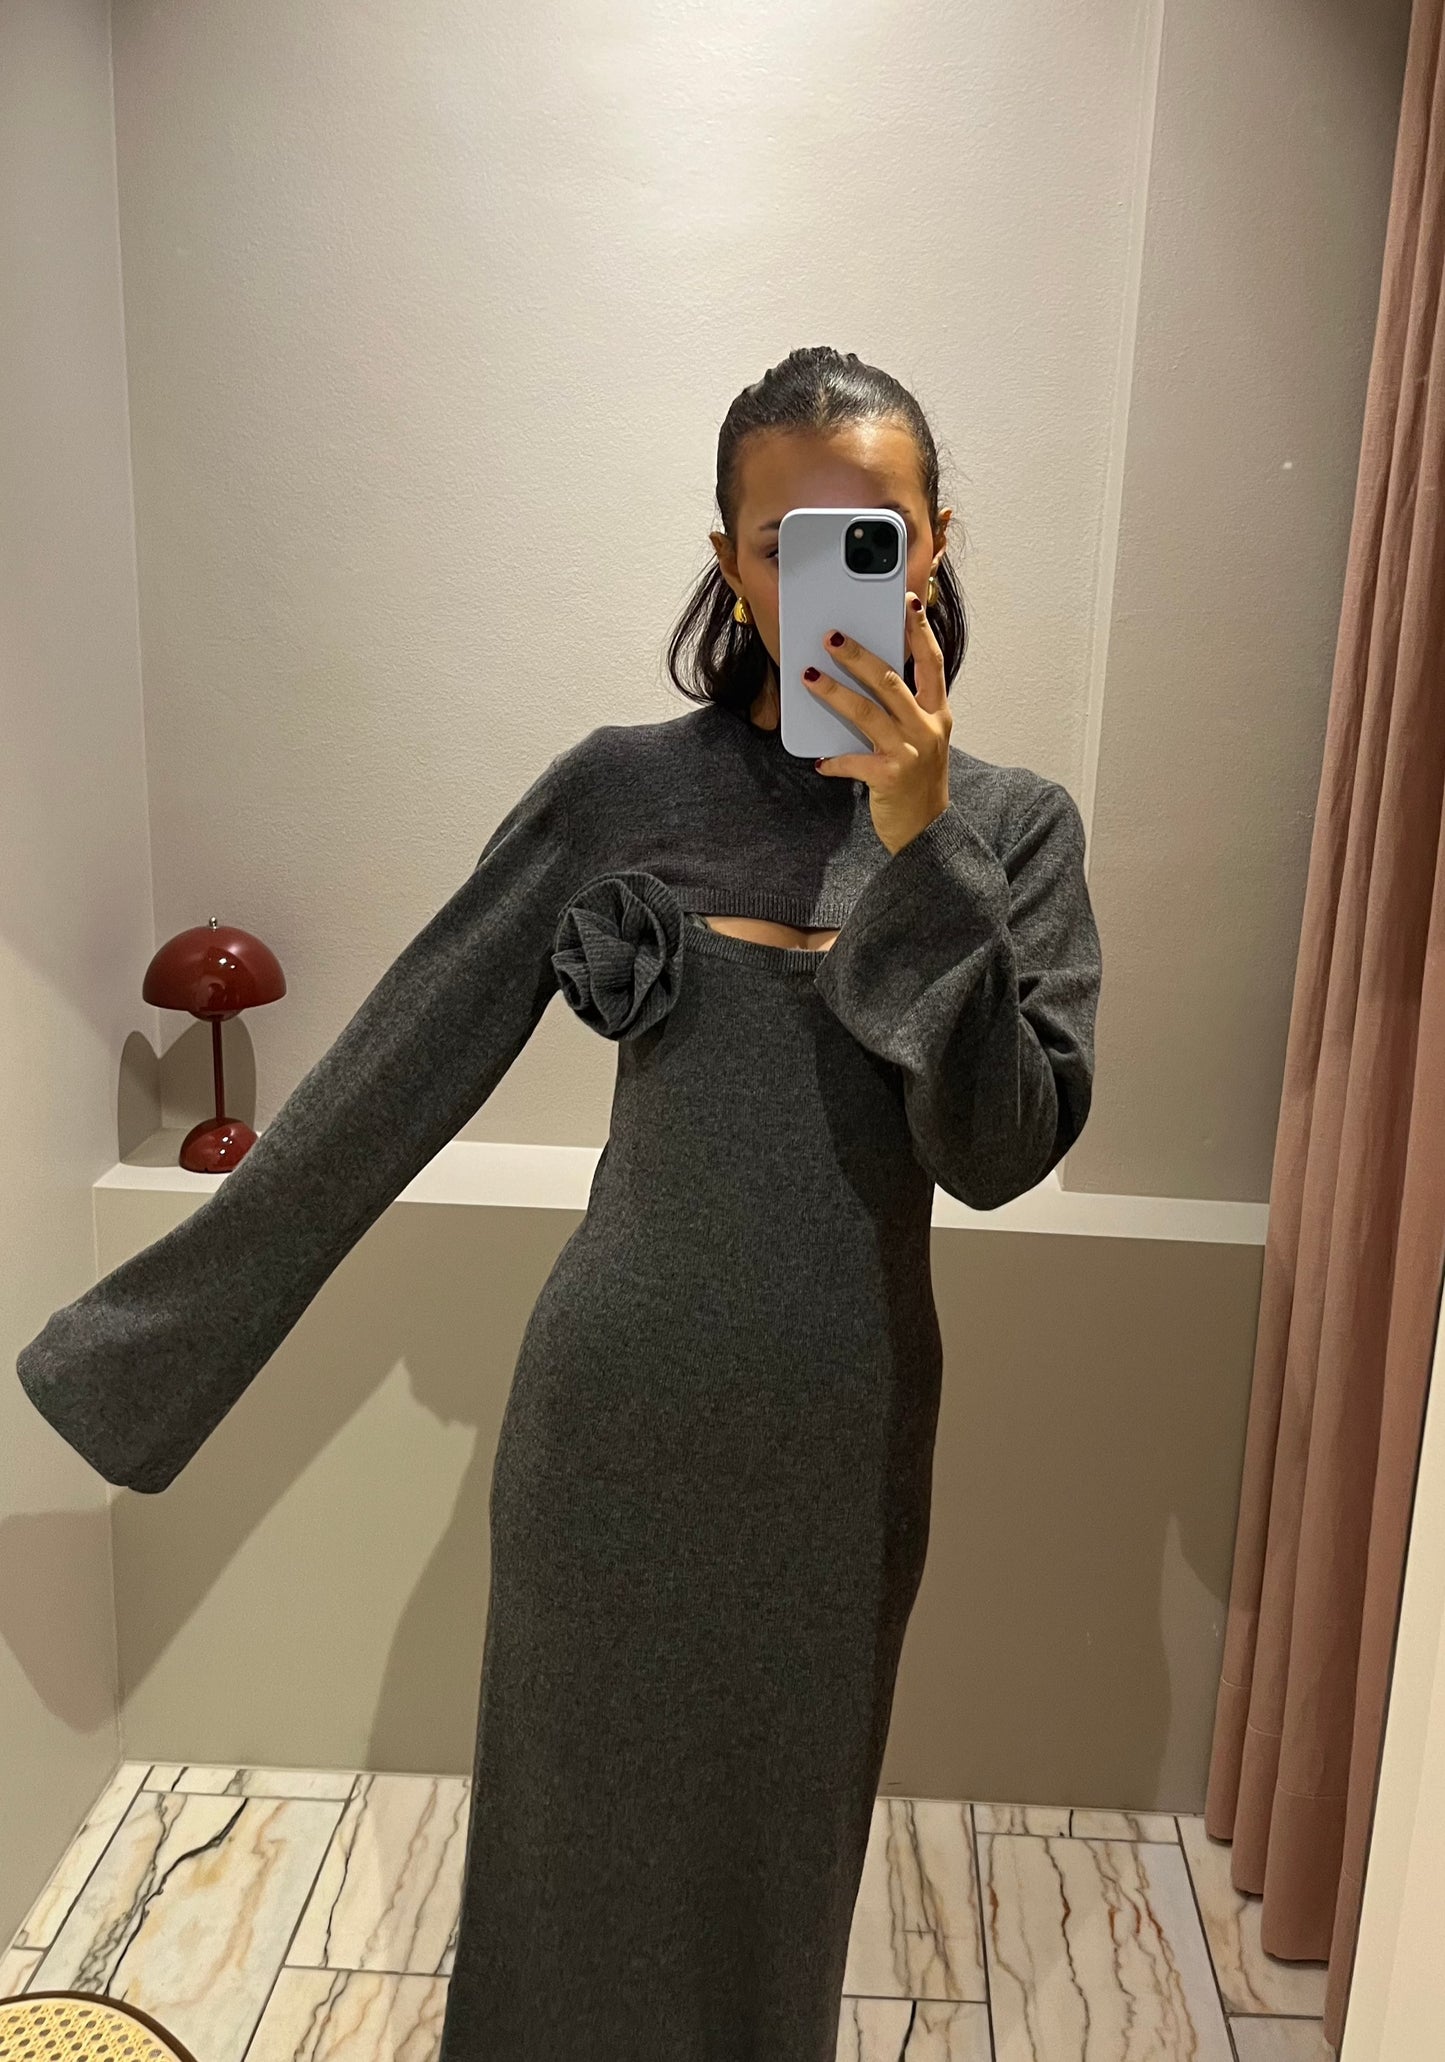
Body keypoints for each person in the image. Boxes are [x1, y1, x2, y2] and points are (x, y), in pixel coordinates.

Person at [16, 345, 1102, 2058]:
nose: (824, 572)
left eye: (873, 533)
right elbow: (395, 1068)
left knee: (775, 1859)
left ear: (934, 543)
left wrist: (921, 850)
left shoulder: (1014, 832)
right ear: (730, 559)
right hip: (610, 1422)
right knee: (566, 1853)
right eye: (784, 540)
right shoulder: (620, 789)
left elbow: (997, 1150)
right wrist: (125, 1353)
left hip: (837, 1436)